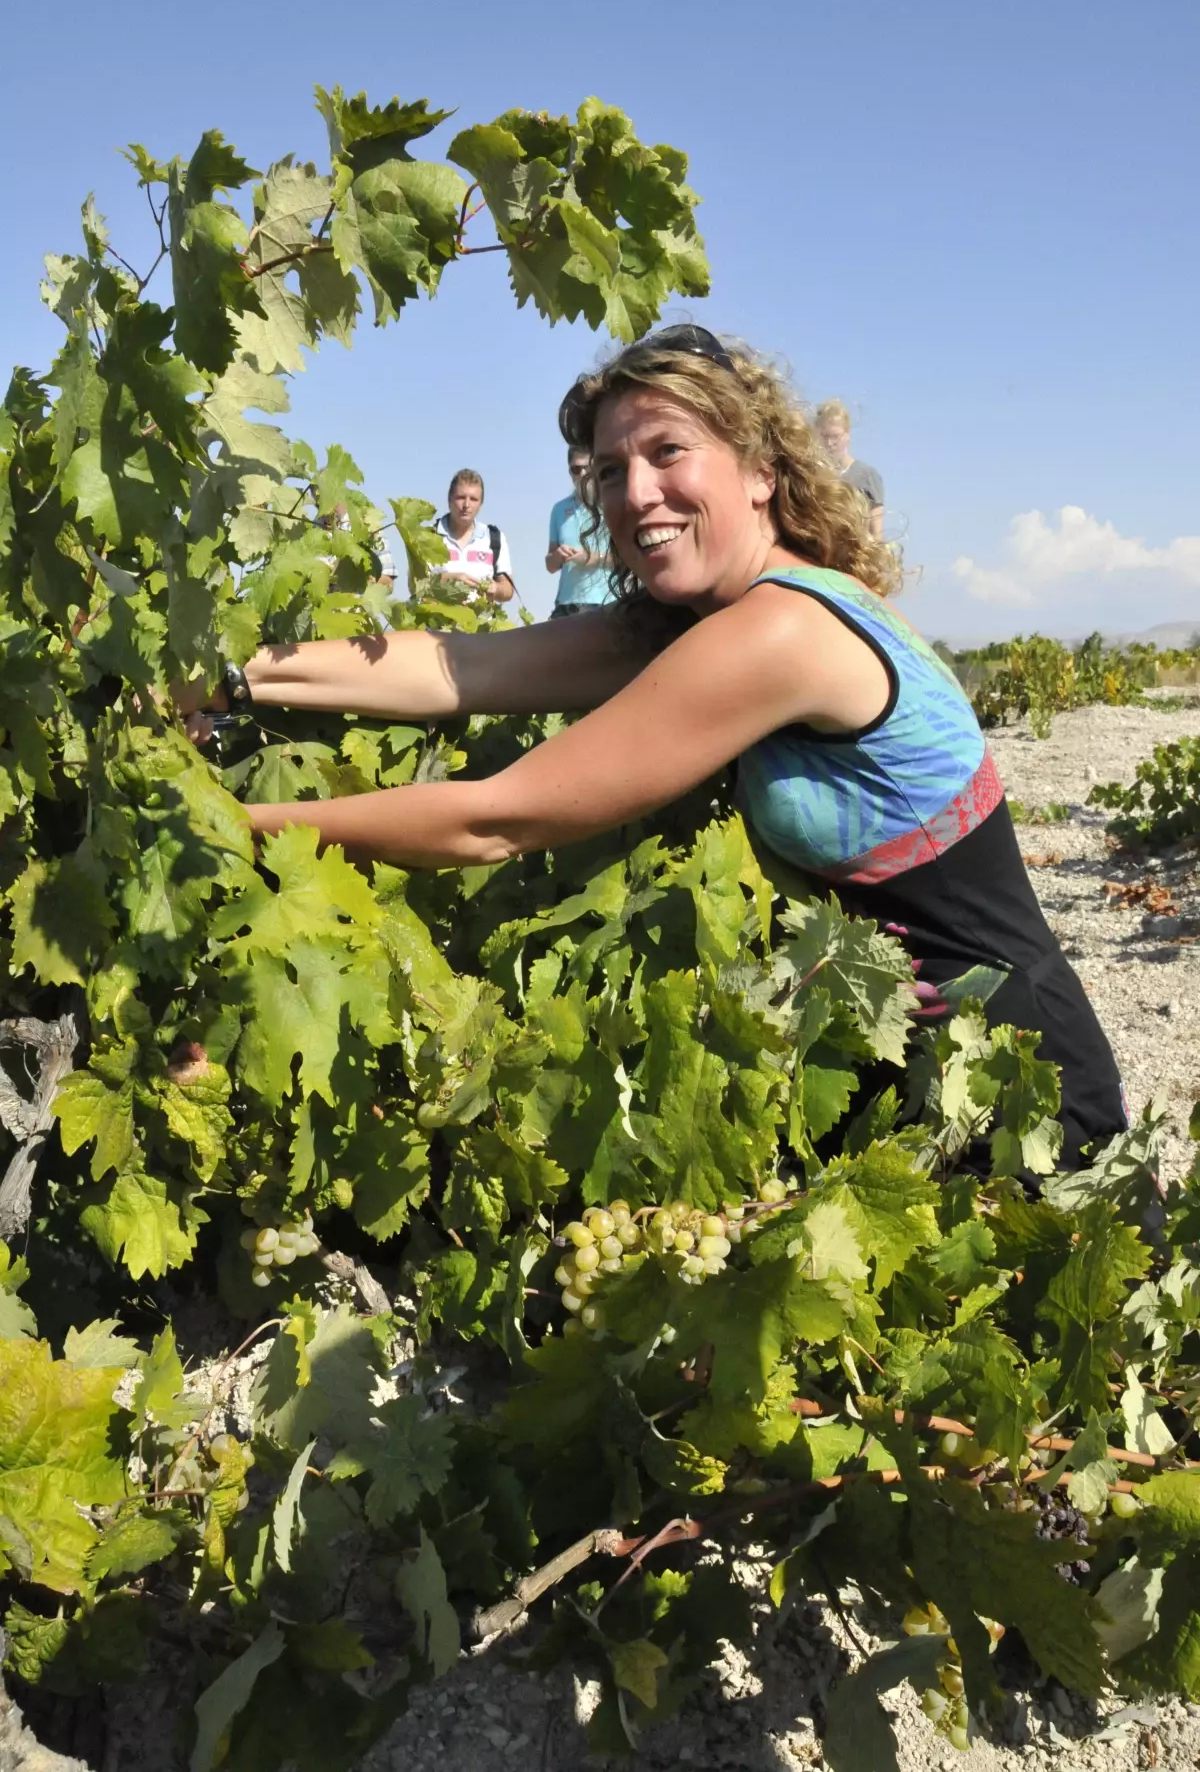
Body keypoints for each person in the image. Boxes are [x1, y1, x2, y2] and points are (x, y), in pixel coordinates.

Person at [186, 325, 1126, 1170]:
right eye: (609, 470)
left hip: (1019, 1088)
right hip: (911, 1073)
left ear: (759, 468)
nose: (637, 492)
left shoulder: (779, 633)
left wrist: (233, 827)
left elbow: (494, 818)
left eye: (668, 452)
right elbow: (459, 668)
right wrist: (231, 677)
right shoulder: (701, 618)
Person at [546, 447, 615, 617]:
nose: (582, 474)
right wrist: (557, 556)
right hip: (565, 605)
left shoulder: (613, 504)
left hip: (606, 604)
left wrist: (591, 558)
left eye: (588, 468)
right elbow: (550, 565)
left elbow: (629, 559)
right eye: (576, 469)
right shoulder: (559, 509)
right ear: (570, 472)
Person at [431, 470, 515, 603]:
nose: (466, 505)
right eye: (461, 497)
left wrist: (496, 588)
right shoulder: (429, 536)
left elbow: (508, 590)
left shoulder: (495, 538)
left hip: (482, 622)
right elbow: (415, 586)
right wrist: (449, 580)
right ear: (449, 499)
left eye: (474, 499)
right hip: (438, 622)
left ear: (480, 504)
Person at [815, 400, 885, 541]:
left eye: (835, 436)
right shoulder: (815, 476)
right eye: (825, 436)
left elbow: (877, 534)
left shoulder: (867, 475)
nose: (829, 443)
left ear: (847, 434)